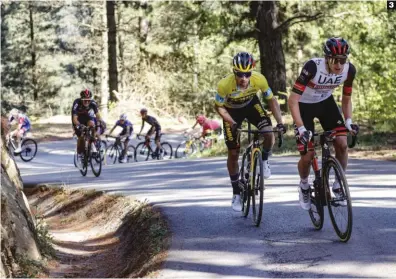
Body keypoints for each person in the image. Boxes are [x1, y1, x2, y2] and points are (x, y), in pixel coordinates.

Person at [288, 37, 359, 210]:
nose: (339, 65)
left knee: (342, 144)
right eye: (335, 60)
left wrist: (348, 121)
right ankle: (304, 185)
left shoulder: (349, 71)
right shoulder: (312, 67)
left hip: (326, 104)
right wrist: (301, 128)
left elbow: (346, 98)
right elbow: (292, 100)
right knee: (307, 155)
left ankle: (337, 184)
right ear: (327, 58)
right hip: (303, 106)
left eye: (343, 60)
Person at [214, 51, 286, 212]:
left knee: (268, 133)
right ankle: (236, 193)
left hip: (251, 106)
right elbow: (218, 106)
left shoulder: (259, 79)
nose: (244, 78)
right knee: (233, 152)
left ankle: (265, 160)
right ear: (234, 72)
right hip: (231, 112)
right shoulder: (224, 85)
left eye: (247, 74)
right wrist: (231, 122)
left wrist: (280, 122)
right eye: (240, 74)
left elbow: (271, 100)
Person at [71, 89, 104, 158]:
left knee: (92, 125)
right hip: (78, 118)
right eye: (85, 100)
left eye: (88, 100)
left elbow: (97, 115)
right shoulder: (77, 103)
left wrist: (101, 121)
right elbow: (74, 119)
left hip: (87, 117)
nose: (86, 102)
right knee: (81, 136)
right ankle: (80, 152)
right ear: (81, 99)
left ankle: (92, 143)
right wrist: (80, 125)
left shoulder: (93, 103)